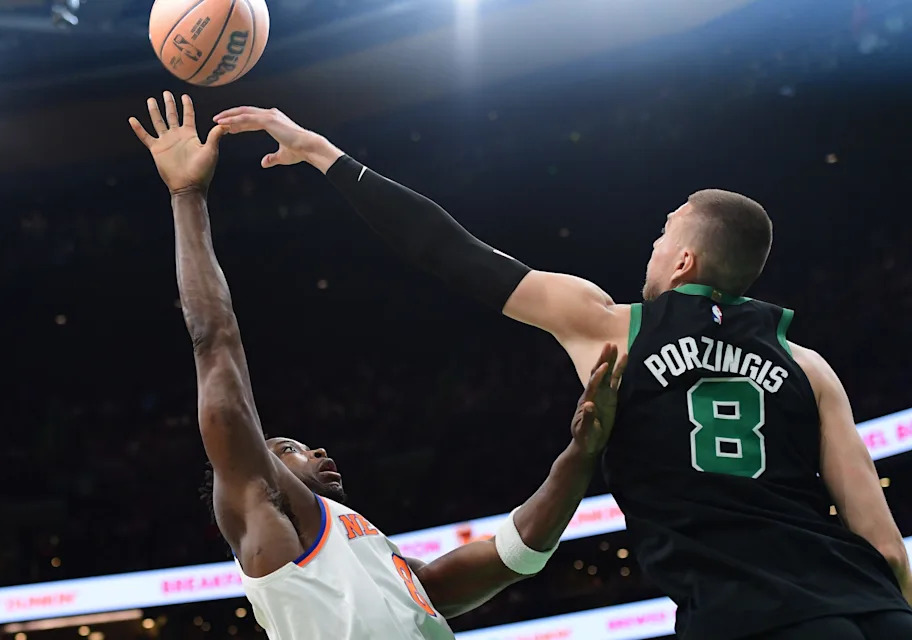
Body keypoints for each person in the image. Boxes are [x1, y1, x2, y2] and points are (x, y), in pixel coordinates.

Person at [211, 104, 912, 640]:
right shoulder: (808, 364)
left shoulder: (610, 326)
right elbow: (883, 543)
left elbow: (449, 251)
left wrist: (324, 153)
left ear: (684, 263)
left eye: (664, 233)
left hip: (749, 617)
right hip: (873, 608)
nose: (655, 243)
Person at [128, 92, 626, 640]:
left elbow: (512, 556)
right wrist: (187, 195)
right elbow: (214, 340)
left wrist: (582, 453)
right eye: (289, 447)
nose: (315, 450)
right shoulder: (261, 507)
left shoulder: (365, 548)